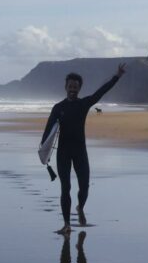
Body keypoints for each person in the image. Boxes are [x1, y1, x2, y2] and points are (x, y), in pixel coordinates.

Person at [41, 64, 126, 234]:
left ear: (79, 88)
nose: (72, 89)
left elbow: (101, 92)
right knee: (65, 188)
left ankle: (80, 207)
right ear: (66, 87)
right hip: (63, 152)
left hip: (80, 151)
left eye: (75, 86)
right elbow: (48, 129)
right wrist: (43, 150)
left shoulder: (84, 104)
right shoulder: (58, 108)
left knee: (84, 186)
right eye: (70, 86)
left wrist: (116, 77)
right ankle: (66, 224)